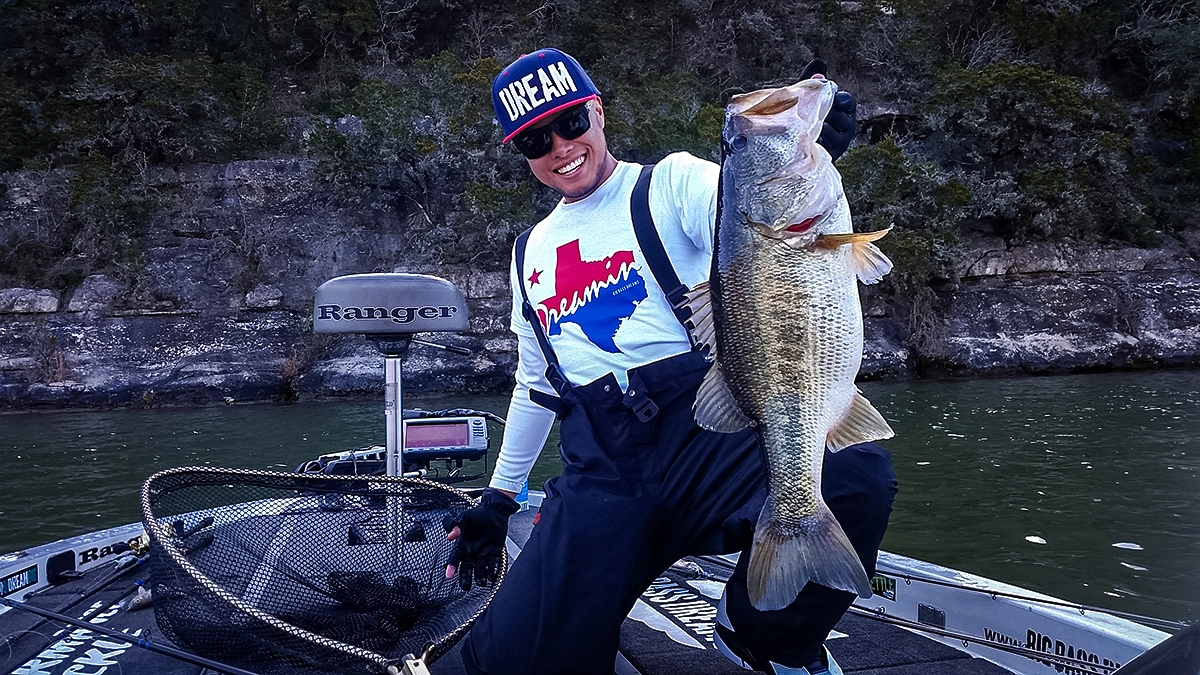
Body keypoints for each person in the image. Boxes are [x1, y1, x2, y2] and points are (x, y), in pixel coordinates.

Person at [444, 48, 898, 675]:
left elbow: (756, 222)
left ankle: (761, 633)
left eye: (570, 123)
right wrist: (498, 500)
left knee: (855, 472)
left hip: (708, 436)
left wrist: (808, 155)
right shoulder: (529, 252)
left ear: (596, 112)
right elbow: (534, 386)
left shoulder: (674, 182)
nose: (559, 148)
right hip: (606, 470)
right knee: (511, 663)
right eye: (533, 140)